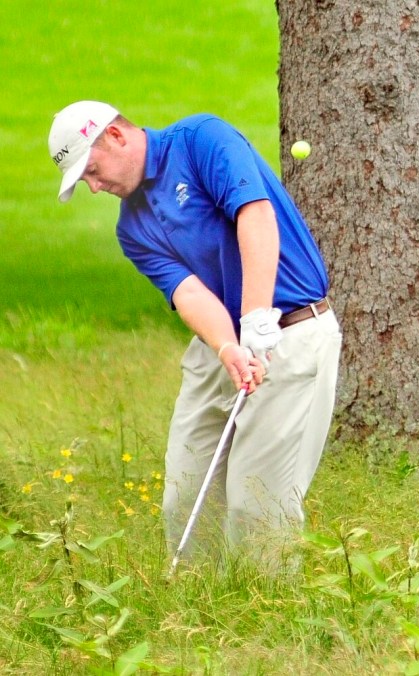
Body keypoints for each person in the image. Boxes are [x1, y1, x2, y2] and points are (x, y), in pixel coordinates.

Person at [48, 101, 342, 569]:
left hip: (290, 331)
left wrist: (258, 318)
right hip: (220, 345)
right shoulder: (133, 228)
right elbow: (189, 294)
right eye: (85, 181)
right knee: (185, 501)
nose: (94, 186)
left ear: (116, 136)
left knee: (255, 507)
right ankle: (195, 619)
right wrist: (228, 345)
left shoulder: (201, 139)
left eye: (92, 170)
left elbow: (255, 216)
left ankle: (265, 625)